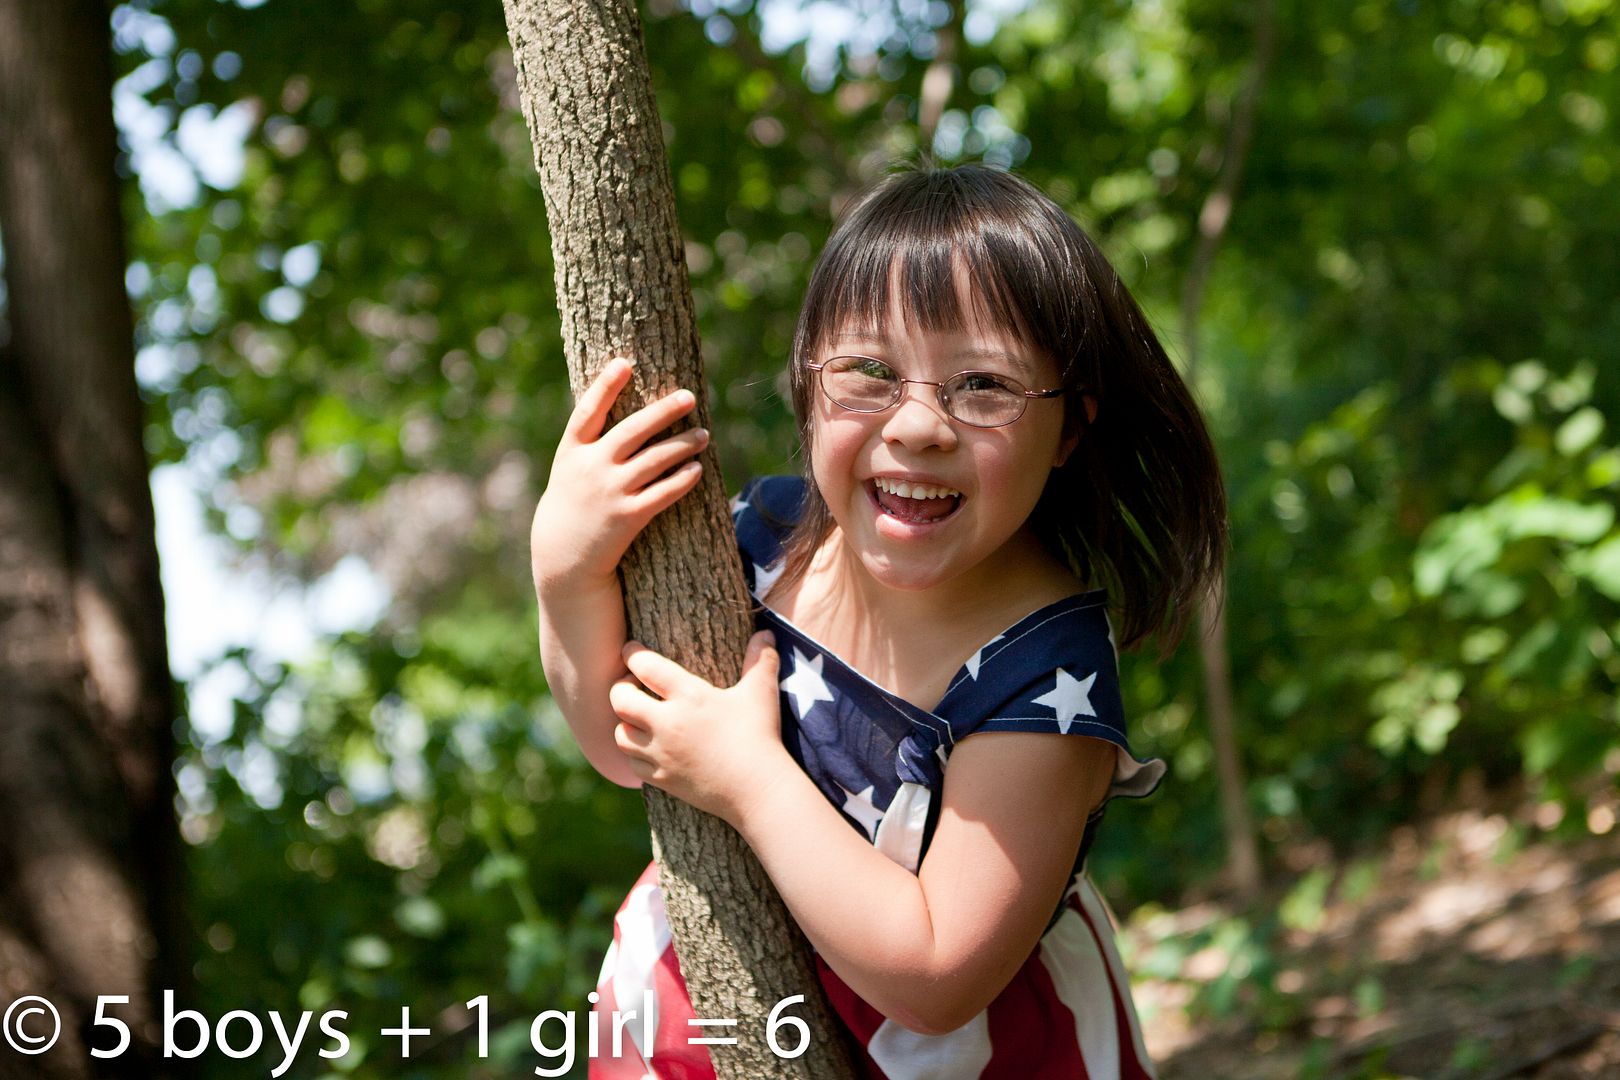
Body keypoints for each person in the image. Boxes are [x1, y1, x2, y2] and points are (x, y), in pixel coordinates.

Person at [530, 163, 1226, 1079]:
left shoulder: (1045, 671)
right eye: (869, 371)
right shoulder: (757, 540)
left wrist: (747, 777)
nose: (920, 425)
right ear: (807, 384)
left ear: (1067, 432)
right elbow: (626, 747)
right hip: (700, 1007)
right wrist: (565, 569)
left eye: (984, 386)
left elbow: (937, 975)